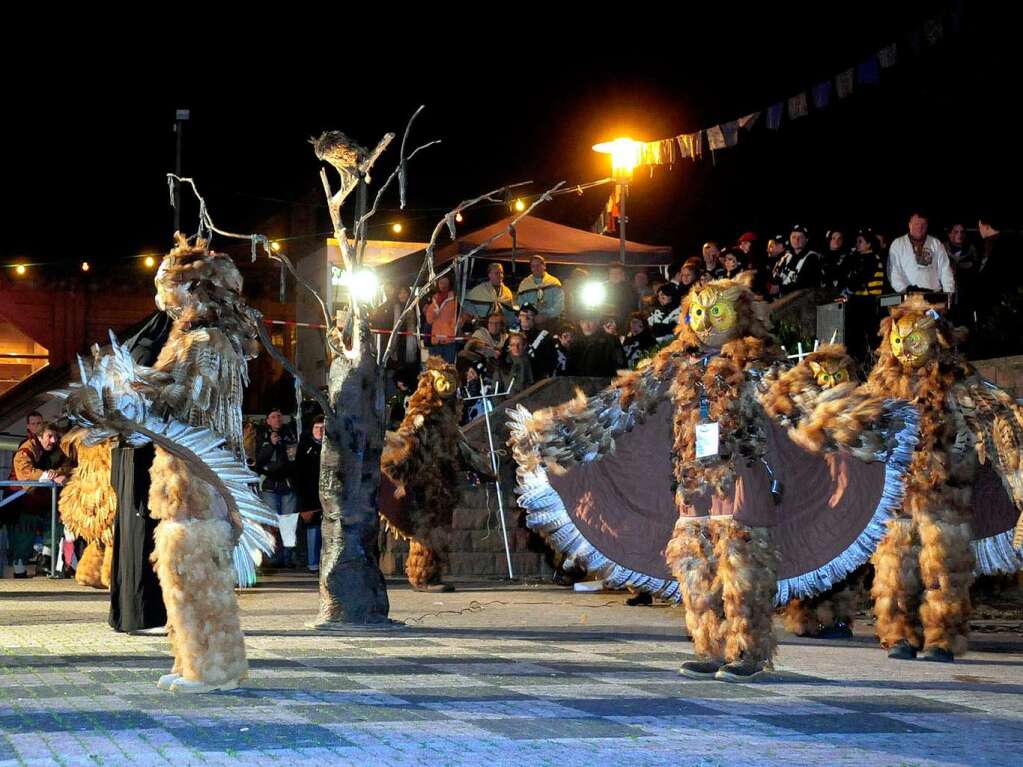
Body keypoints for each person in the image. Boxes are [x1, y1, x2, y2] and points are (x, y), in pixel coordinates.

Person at [9, 421, 72, 577]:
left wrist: (58, 474)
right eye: (49, 436)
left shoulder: (57, 450)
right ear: (40, 435)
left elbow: (68, 466)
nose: (53, 440)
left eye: (55, 437)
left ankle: (45, 561)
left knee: (54, 529)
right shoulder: (26, 449)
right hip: (24, 502)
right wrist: (47, 476)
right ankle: (19, 572)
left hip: (47, 503)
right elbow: (25, 470)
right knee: (23, 537)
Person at [254, 409, 298, 567]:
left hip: (287, 484)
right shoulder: (260, 435)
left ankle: (287, 558)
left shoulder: (290, 433)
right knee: (270, 523)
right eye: (273, 416)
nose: (277, 419)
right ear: (267, 420)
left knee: (288, 523)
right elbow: (258, 460)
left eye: (280, 416)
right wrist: (271, 445)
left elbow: (294, 457)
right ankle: (271, 557)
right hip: (269, 485)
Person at [887, 211, 954, 295]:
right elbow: (894, 273)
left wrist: (949, 293)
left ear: (927, 226)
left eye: (923, 224)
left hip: (933, 296)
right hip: (908, 297)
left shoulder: (936, 243)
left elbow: (945, 270)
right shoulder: (898, 244)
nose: (920, 227)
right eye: (916, 224)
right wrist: (905, 291)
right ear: (909, 225)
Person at [295, 415, 324, 572]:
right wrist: (302, 503)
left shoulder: (332, 445)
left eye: (322, 428)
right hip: (310, 495)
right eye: (317, 427)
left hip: (329, 494)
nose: (320, 431)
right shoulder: (305, 446)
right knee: (312, 528)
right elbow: (299, 474)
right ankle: (312, 562)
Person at [514, 303, 559, 380]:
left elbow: (552, 361)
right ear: (518, 317)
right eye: (522, 315)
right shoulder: (511, 337)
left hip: (536, 381)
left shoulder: (544, 336)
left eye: (529, 315)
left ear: (535, 318)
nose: (525, 317)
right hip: (515, 381)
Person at [462, 262, 516, 326]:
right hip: (482, 325)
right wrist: (476, 315)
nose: (500, 276)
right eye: (497, 273)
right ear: (489, 275)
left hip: (500, 327)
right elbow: (466, 303)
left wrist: (509, 323)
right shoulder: (481, 289)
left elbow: (510, 312)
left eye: (502, 273)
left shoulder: (507, 292)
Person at [424, 275, 461, 363]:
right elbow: (429, 319)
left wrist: (454, 326)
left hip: (449, 341)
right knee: (435, 371)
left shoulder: (456, 299)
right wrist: (436, 306)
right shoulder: (434, 299)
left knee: (448, 371)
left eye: (446, 282)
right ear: (438, 284)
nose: (443, 285)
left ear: (449, 284)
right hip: (435, 341)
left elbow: (462, 316)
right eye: (441, 282)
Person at [774, 224, 821, 295]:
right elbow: (777, 275)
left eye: (801, 237)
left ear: (807, 239)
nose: (796, 240)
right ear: (789, 238)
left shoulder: (812, 257)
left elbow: (803, 285)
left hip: (800, 301)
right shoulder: (787, 255)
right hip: (784, 298)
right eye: (793, 237)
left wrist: (779, 288)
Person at [516, 255, 564, 323]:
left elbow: (560, 303)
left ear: (544, 266)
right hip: (531, 322)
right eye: (533, 266)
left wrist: (547, 315)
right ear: (531, 268)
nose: (536, 268)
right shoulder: (524, 285)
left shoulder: (554, 283)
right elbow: (521, 304)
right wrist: (531, 316)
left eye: (538, 265)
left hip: (552, 321)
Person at [606, 261, 638, 328]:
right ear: (608, 275)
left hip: (623, 324)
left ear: (623, 274)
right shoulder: (602, 287)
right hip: (605, 322)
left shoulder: (630, 289)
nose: (614, 275)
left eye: (617, 273)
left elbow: (632, 308)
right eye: (612, 273)